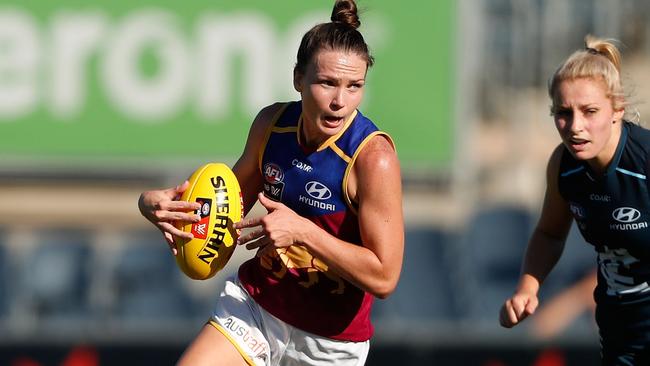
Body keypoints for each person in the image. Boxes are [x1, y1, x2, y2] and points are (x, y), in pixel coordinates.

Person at [138, 1, 404, 365]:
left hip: (329, 341)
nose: (340, 101)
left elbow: (385, 277)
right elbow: (225, 212)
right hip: (258, 306)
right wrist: (159, 208)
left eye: (354, 86)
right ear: (298, 78)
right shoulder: (271, 125)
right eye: (327, 83)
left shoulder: (373, 158)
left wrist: (304, 232)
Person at [499, 34, 650, 364]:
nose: (575, 127)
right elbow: (550, 233)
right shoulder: (564, 166)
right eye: (563, 112)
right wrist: (527, 288)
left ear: (617, 110)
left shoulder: (644, 161)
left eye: (590, 111)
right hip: (620, 332)